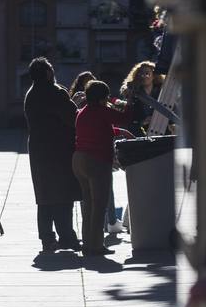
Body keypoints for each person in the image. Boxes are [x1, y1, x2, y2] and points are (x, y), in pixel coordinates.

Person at [23, 58, 81, 253]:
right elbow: (73, 118)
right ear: (48, 73)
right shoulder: (56, 92)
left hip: (39, 150)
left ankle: (47, 239)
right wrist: (77, 104)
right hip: (59, 150)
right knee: (63, 195)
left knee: (44, 196)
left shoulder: (30, 94)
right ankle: (67, 237)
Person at [72, 80, 129, 257]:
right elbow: (125, 118)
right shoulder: (102, 110)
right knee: (99, 206)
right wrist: (127, 102)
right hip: (96, 162)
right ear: (103, 97)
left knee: (88, 205)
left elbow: (101, 129)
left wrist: (118, 131)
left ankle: (87, 243)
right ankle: (96, 246)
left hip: (79, 160)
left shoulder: (82, 112)